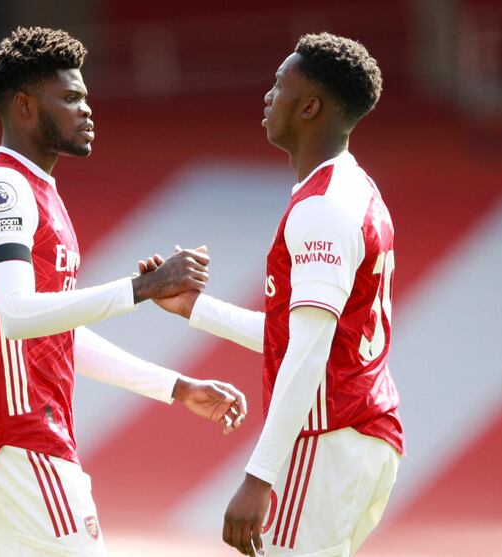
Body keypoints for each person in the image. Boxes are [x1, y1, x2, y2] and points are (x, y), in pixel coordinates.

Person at [0, 27, 246, 557]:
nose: (87, 109)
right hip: (18, 436)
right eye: (72, 97)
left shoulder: (40, 191)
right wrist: (143, 287)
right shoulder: (1, 188)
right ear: (27, 105)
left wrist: (175, 386)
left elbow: (55, 336)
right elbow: (16, 314)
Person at [146, 33, 404, 556]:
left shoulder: (322, 208)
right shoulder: (353, 191)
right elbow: (303, 337)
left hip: (327, 437)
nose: (268, 96)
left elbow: (307, 355)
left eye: (280, 84)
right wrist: (196, 309)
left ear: (310, 106)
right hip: (358, 435)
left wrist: (259, 477)